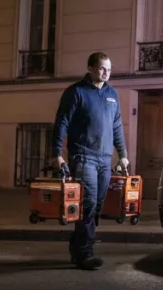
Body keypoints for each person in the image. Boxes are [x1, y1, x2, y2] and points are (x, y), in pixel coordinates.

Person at [51, 52, 130, 270]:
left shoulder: (112, 94)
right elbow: (62, 122)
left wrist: (122, 154)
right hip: (83, 156)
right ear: (90, 68)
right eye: (102, 68)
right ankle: (85, 253)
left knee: (96, 206)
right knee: (88, 203)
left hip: (105, 159)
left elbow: (116, 126)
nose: (106, 73)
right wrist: (57, 153)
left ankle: (78, 246)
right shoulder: (76, 92)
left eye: (109, 69)